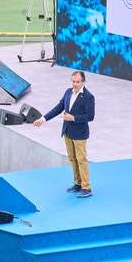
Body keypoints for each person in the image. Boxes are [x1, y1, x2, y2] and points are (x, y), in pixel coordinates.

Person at [32, 69, 95, 197]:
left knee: (81, 159)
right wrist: (43, 119)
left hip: (80, 134)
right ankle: (78, 183)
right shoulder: (68, 92)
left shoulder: (88, 97)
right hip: (67, 131)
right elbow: (58, 108)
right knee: (72, 159)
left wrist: (73, 118)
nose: (75, 84)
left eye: (78, 82)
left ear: (83, 82)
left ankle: (86, 187)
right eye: (73, 81)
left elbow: (90, 116)